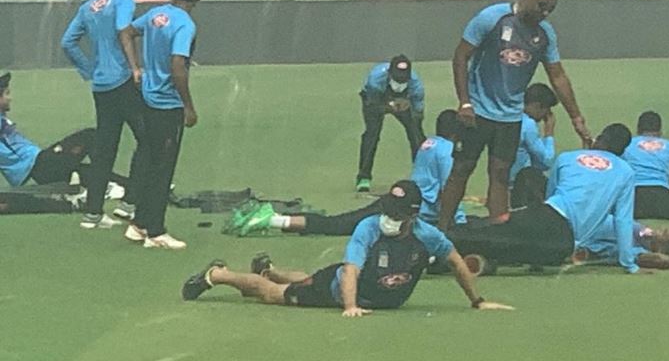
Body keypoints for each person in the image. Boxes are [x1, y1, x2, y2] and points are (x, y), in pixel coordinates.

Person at [182, 180, 513, 316]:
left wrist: (477, 301)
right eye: (387, 210)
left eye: (396, 214)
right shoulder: (369, 227)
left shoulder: (427, 236)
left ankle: (267, 269)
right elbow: (351, 269)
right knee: (273, 293)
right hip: (339, 290)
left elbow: (456, 262)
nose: (388, 218)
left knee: (303, 278)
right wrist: (350, 306)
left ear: (412, 216)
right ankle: (219, 274)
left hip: (355, 286)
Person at [438, 0, 590, 231]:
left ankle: (498, 233)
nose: (545, 13)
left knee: (500, 174)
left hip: (510, 116)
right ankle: (442, 230)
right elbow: (461, 56)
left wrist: (576, 117)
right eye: (542, 6)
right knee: (462, 168)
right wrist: (464, 102)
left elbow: (558, 76)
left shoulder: (545, 34)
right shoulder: (493, 18)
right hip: (478, 110)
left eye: (550, 9)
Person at [225, 110, 466, 237]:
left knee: (338, 223)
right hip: (405, 210)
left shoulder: (429, 144)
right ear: (456, 132)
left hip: (396, 201)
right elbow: (449, 187)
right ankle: (271, 219)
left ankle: (276, 219)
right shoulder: (446, 152)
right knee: (337, 225)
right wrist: (457, 220)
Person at [442, 123, 640, 274]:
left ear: (598, 140)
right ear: (622, 151)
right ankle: (439, 245)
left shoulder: (568, 157)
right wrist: (628, 264)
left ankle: (442, 241)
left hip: (545, 213)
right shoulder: (626, 172)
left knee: (494, 233)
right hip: (561, 241)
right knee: (500, 243)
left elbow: (551, 195)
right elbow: (623, 220)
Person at [60, 0, 148, 229]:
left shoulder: (89, 6)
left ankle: (93, 214)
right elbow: (124, 30)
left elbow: (68, 42)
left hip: (101, 86)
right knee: (147, 139)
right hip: (122, 80)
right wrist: (134, 67)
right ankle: (130, 202)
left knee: (105, 148)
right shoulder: (123, 0)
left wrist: (88, 69)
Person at [119, 0, 202, 250]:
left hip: (146, 99)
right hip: (167, 105)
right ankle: (155, 230)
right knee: (163, 169)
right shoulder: (185, 25)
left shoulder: (157, 15)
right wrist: (188, 106)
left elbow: (128, 31)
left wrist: (136, 68)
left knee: (151, 163)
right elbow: (178, 66)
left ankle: (139, 223)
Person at [0, 72, 128, 207]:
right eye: (6, 94)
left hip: (42, 164)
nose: (10, 98)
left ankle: (131, 186)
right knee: (89, 136)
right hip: (39, 165)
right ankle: (106, 187)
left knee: (87, 171)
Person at [356, 55, 425, 192]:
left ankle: (422, 177)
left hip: (404, 102)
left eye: (403, 79)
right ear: (390, 73)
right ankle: (364, 177)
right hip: (376, 99)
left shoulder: (416, 85)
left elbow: (418, 112)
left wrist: (413, 118)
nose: (400, 82)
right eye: (397, 78)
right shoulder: (375, 80)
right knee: (372, 135)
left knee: (417, 136)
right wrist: (389, 106)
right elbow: (372, 104)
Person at [509, 82, 557, 188]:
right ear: (537, 106)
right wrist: (549, 132)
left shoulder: (510, 116)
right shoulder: (528, 124)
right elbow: (547, 161)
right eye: (546, 110)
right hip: (520, 184)